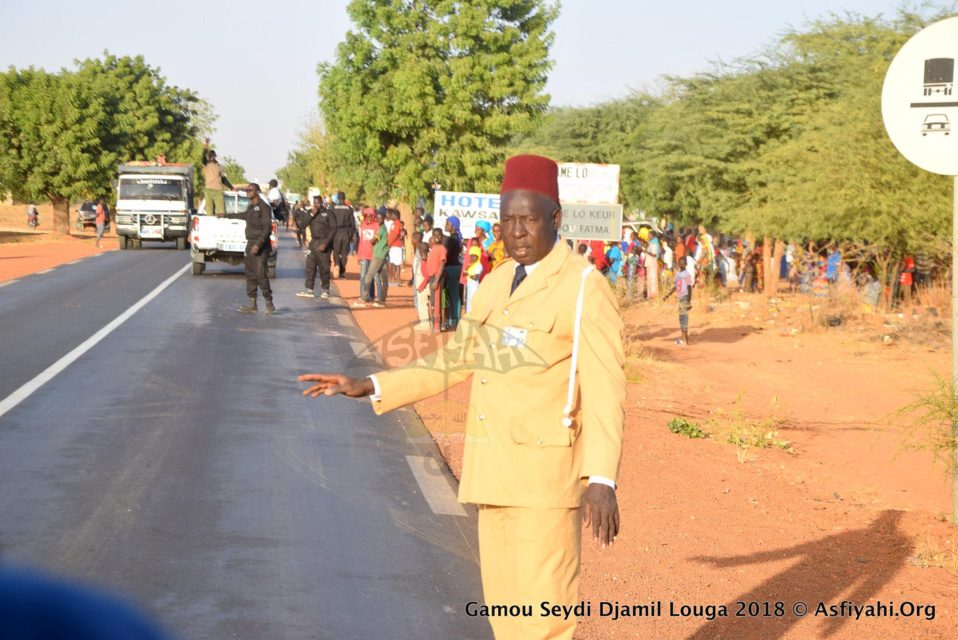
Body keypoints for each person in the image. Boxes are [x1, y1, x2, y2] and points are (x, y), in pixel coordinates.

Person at [299, 154, 625, 640]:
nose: (515, 232)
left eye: (527, 220)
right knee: (508, 620)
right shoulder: (495, 283)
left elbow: (605, 387)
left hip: (545, 482)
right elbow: (453, 361)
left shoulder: (583, 289)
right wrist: (372, 384)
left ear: (554, 219)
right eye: (506, 220)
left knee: (544, 622)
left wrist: (602, 477)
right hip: (493, 475)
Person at [220, 183, 274, 313]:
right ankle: (252, 303)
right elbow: (243, 215)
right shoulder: (250, 207)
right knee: (250, 274)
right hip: (250, 244)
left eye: (250, 190)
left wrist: (258, 245)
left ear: (257, 191)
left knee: (260, 273)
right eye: (246, 190)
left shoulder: (264, 208)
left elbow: (267, 227)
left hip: (261, 246)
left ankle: (269, 302)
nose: (247, 192)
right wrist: (226, 215)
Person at [298, 196, 334, 299]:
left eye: (318, 203)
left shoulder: (328, 213)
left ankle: (325, 290)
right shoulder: (311, 212)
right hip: (313, 242)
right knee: (310, 266)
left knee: (324, 267)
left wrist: (326, 243)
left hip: (324, 242)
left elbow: (333, 230)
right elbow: (303, 225)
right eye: (315, 203)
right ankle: (309, 289)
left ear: (321, 203)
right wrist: (311, 214)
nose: (316, 205)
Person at [355, 209, 389, 308]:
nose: (378, 219)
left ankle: (364, 298)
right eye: (377, 218)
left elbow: (374, 239)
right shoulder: (381, 227)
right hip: (381, 254)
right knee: (384, 278)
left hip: (377, 255)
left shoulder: (381, 228)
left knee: (369, 276)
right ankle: (382, 300)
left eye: (380, 218)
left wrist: (372, 243)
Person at [202, 138, 234, 216]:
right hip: (208, 190)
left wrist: (232, 188)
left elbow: (223, 179)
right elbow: (203, 156)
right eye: (210, 155)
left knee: (221, 212)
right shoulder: (206, 164)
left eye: (213, 155)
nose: (211, 156)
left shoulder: (219, 166)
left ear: (215, 156)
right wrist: (206, 145)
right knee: (209, 213)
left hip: (218, 191)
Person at [356, 208, 380, 304]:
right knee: (363, 276)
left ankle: (373, 295)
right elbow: (361, 241)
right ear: (365, 216)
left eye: (371, 216)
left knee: (374, 276)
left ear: (373, 216)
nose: (369, 218)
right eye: (367, 216)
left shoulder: (376, 226)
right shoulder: (363, 226)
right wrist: (359, 256)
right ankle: (363, 295)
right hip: (364, 255)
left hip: (373, 255)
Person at [443, 217, 463, 329]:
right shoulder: (456, 238)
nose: (445, 226)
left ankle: (454, 321)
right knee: (454, 295)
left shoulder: (451, 240)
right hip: (456, 267)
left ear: (453, 226)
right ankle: (453, 320)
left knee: (454, 296)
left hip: (451, 268)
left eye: (447, 224)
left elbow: (448, 256)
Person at [668, 256, 693, 345]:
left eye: (683, 263)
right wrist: (668, 294)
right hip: (679, 297)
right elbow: (676, 285)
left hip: (684, 297)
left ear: (686, 264)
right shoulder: (678, 273)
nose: (681, 265)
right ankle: (683, 338)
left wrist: (689, 301)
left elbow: (689, 288)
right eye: (679, 263)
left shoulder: (687, 275)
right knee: (681, 317)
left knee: (684, 317)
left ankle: (685, 340)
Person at [426, 228, 448, 330]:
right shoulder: (434, 247)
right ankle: (435, 323)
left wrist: (436, 280)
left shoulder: (441, 248)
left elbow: (442, 264)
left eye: (439, 235)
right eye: (435, 235)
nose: (437, 237)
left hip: (437, 277)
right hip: (432, 276)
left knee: (437, 301)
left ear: (442, 236)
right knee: (434, 299)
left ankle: (437, 325)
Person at [330, 191, 354, 279]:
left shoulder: (333, 208)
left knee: (335, 251)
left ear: (338, 198)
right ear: (345, 198)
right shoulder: (349, 209)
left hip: (336, 232)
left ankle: (337, 264)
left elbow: (330, 221)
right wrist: (352, 235)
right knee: (344, 253)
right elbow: (352, 224)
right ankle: (342, 272)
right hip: (345, 232)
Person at [414, 241, 432, 330]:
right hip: (426, 286)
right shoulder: (428, 258)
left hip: (423, 287)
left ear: (420, 251)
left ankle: (425, 323)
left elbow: (426, 276)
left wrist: (421, 286)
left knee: (422, 304)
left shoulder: (424, 261)